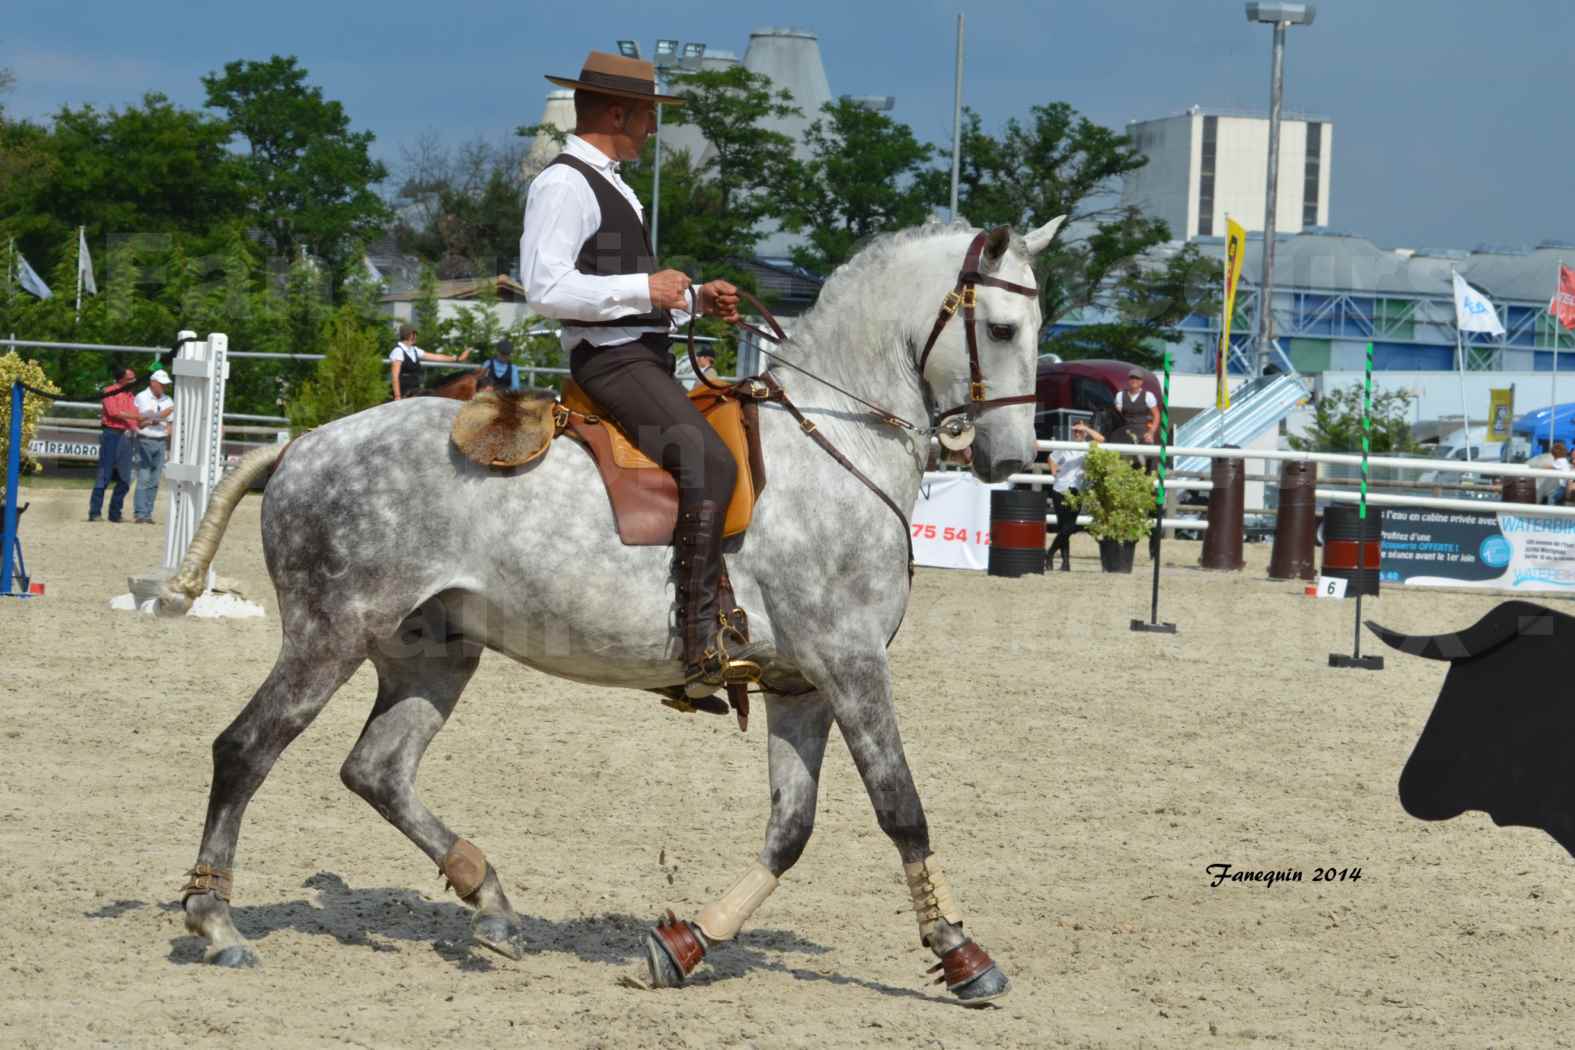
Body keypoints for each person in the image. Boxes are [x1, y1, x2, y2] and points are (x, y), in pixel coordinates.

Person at [520, 49, 762, 696]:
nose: (653, 129)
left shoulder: (612, 182)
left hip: (642, 354)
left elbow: (624, 285)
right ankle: (695, 645)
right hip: (610, 360)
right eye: (649, 116)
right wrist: (645, 289)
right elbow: (544, 289)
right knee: (708, 462)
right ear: (619, 112)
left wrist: (693, 299)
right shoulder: (564, 184)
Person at [1046, 420, 1103, 571]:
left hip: (1077, 490)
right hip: (1060, 489)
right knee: (1063, 526)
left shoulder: (1089, 447)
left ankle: (1049, 553)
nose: (1078, 433)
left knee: (1069, 526)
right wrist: (1054, 472)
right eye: (1076, 431)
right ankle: (1065, 563)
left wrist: (1086, 428)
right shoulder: (1065, 446)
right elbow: (1051, 458)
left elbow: (1101, 439)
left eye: (1080, 431)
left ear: (1085, 432)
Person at [88, 364, 141, 522]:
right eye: (131, 378)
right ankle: (95, 512)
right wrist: (135, 419)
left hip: (125, 435)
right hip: (111, 433)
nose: (134, 380)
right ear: (121, 379)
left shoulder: (130, 395)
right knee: (105, 473)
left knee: (125, 476)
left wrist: (138, 427)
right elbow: (113, 412)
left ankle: (115, 513)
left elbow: (133, 415)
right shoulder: (109, 391)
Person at [130, 368, 175, 524]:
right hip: (144, 439)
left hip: (161, 441)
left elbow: (170, 423)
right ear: (153, 383)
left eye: (165, 384)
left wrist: (168, 433)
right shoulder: (142, 397)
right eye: (162, 384)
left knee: (155, 480)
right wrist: (155, 419)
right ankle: (141, 513)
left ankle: (147, 512)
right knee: (144, 476)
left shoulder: (168, 400)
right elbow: (139, 421)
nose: (164, 387)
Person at [388, 324, 470, 400]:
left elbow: (437, 357)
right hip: (403, 391)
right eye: (414, 334)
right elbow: (395, 376)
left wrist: (457, 359)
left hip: (415, 389)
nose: (416, 336)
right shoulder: (398, 351)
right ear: (409, 335)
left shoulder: (415, 350)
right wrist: (397, 396)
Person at [1106, 368, 1161, 463]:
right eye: (1132, 378)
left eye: (1137, 378)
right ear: (1128, 380)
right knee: (1114, 454)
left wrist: (1151, 432)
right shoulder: (1120, 395)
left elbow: (1156, 415)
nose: (1134, 380)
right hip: (1124, 431)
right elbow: (1116, 416)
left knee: (1145, 458)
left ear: (1141, 382)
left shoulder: (1148, 395)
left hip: (1142, 432)